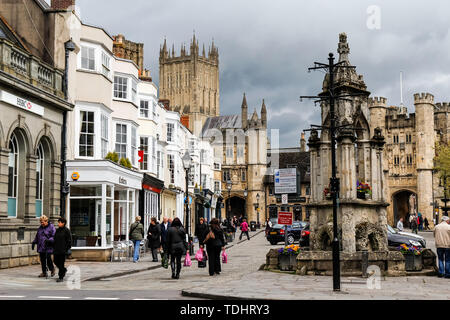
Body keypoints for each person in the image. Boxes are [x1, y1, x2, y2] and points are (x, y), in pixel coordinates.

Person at [53, 217, 72, 282]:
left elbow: (69, 241)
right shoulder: (57, 230)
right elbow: (55, 239)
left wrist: (66, 248)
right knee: (55, 261)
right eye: (58, 222)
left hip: (63, 250)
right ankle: (63, 270)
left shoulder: (67, 230)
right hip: (56, 250)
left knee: (61, 263)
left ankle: (61, 277)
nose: (58, 223)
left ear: (63, 223)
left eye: (59, 222)